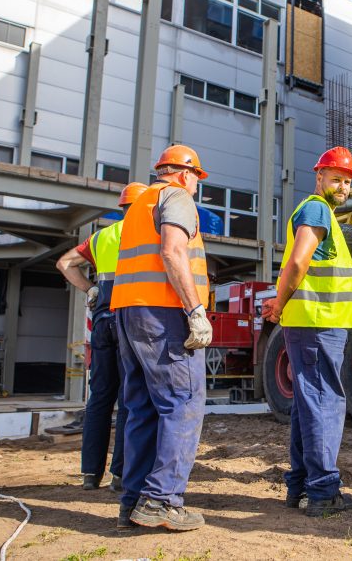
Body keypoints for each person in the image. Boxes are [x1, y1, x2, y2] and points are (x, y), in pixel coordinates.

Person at [110, 144, 213, 531]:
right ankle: (162, 501)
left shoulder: (140, 204)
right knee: (183, 403)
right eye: (197, 179)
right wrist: (195, 310)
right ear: (187, 174)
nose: (197, 186)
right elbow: (172, 253)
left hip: (128, 312)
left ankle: (133, 504)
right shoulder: (177, 197)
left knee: (141, 409)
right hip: (163, 315)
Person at [260, 147, 352, 517]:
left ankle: (301, 485)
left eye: (348, 181)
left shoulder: (322, 213)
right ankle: (322, 492)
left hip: (311, 323)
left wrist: (281, 303)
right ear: (319, 177)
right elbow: (300, 260)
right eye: (336, 178)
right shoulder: (317, 209)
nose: (343, 186)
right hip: (319, 323)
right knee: (324, 403)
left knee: (308, 404)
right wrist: (281, 303)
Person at [56, 182, 148, 492]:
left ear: (122, 207)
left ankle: (89, 474)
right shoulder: (144, 233)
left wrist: (89, 288)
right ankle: (120, 474)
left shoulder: (101, 237)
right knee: (129, 398)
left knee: (99, 398)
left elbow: (64, 263)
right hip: (128, 319)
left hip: (102, 320)